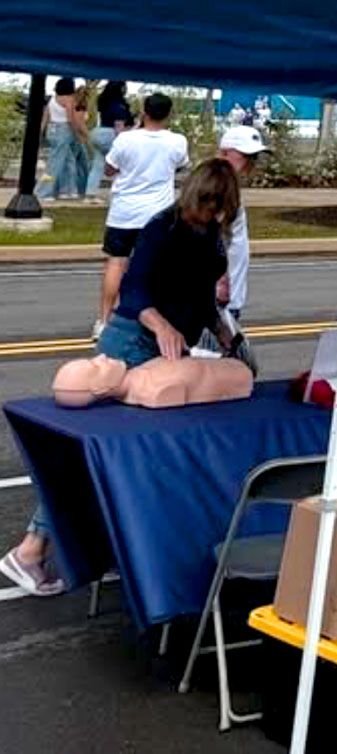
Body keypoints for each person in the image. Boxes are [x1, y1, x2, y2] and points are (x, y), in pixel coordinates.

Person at [2, 159, 243, 598]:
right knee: (90, 450)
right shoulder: (162, 228)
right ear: (196, 196)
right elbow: (133, 292)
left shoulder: (209, 236)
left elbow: (199, 294)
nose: (215, 214)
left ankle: (110, 548)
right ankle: (31, 548)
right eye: (210, 205)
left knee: (134, 454)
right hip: (130, 344)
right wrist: (161, 326)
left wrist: (223, 329)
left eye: (222, 208)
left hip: (169, 354)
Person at [97, 92, 189, 335]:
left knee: (117, 262)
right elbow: (180, 165)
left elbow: (109, 169)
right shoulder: (177, 141)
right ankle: (153, 319)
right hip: (158, 214)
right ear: (169, 114)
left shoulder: (126, 140)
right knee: (156, 267)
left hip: (124, 212)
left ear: (143, 111)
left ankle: (105, 320)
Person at [214, 124, 267, 323]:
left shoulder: (229, 185)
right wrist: (221, 282)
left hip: (229, 297)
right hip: (220, 300)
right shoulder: (219, 189)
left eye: (254, 157)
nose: (251, 163)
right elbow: (214, 238)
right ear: (225, 153)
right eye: (246, 156)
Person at [33, 78, 93, 203]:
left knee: (68, 162)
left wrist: (40, 133)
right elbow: (71, 119)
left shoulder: (52, 99)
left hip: (52, 129)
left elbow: (45, 117)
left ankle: (66, 191)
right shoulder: (69, 99)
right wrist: (77, 134)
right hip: (63, 130)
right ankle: (43, 192)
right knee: (54, 165)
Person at [84, 79, 131, 199]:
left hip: (97, 132)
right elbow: (119, 127)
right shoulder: (120, 106)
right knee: (122, 164)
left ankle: (90, 193)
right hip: (110, 134)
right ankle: (121, 192)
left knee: (98, 164)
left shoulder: (105, 102)